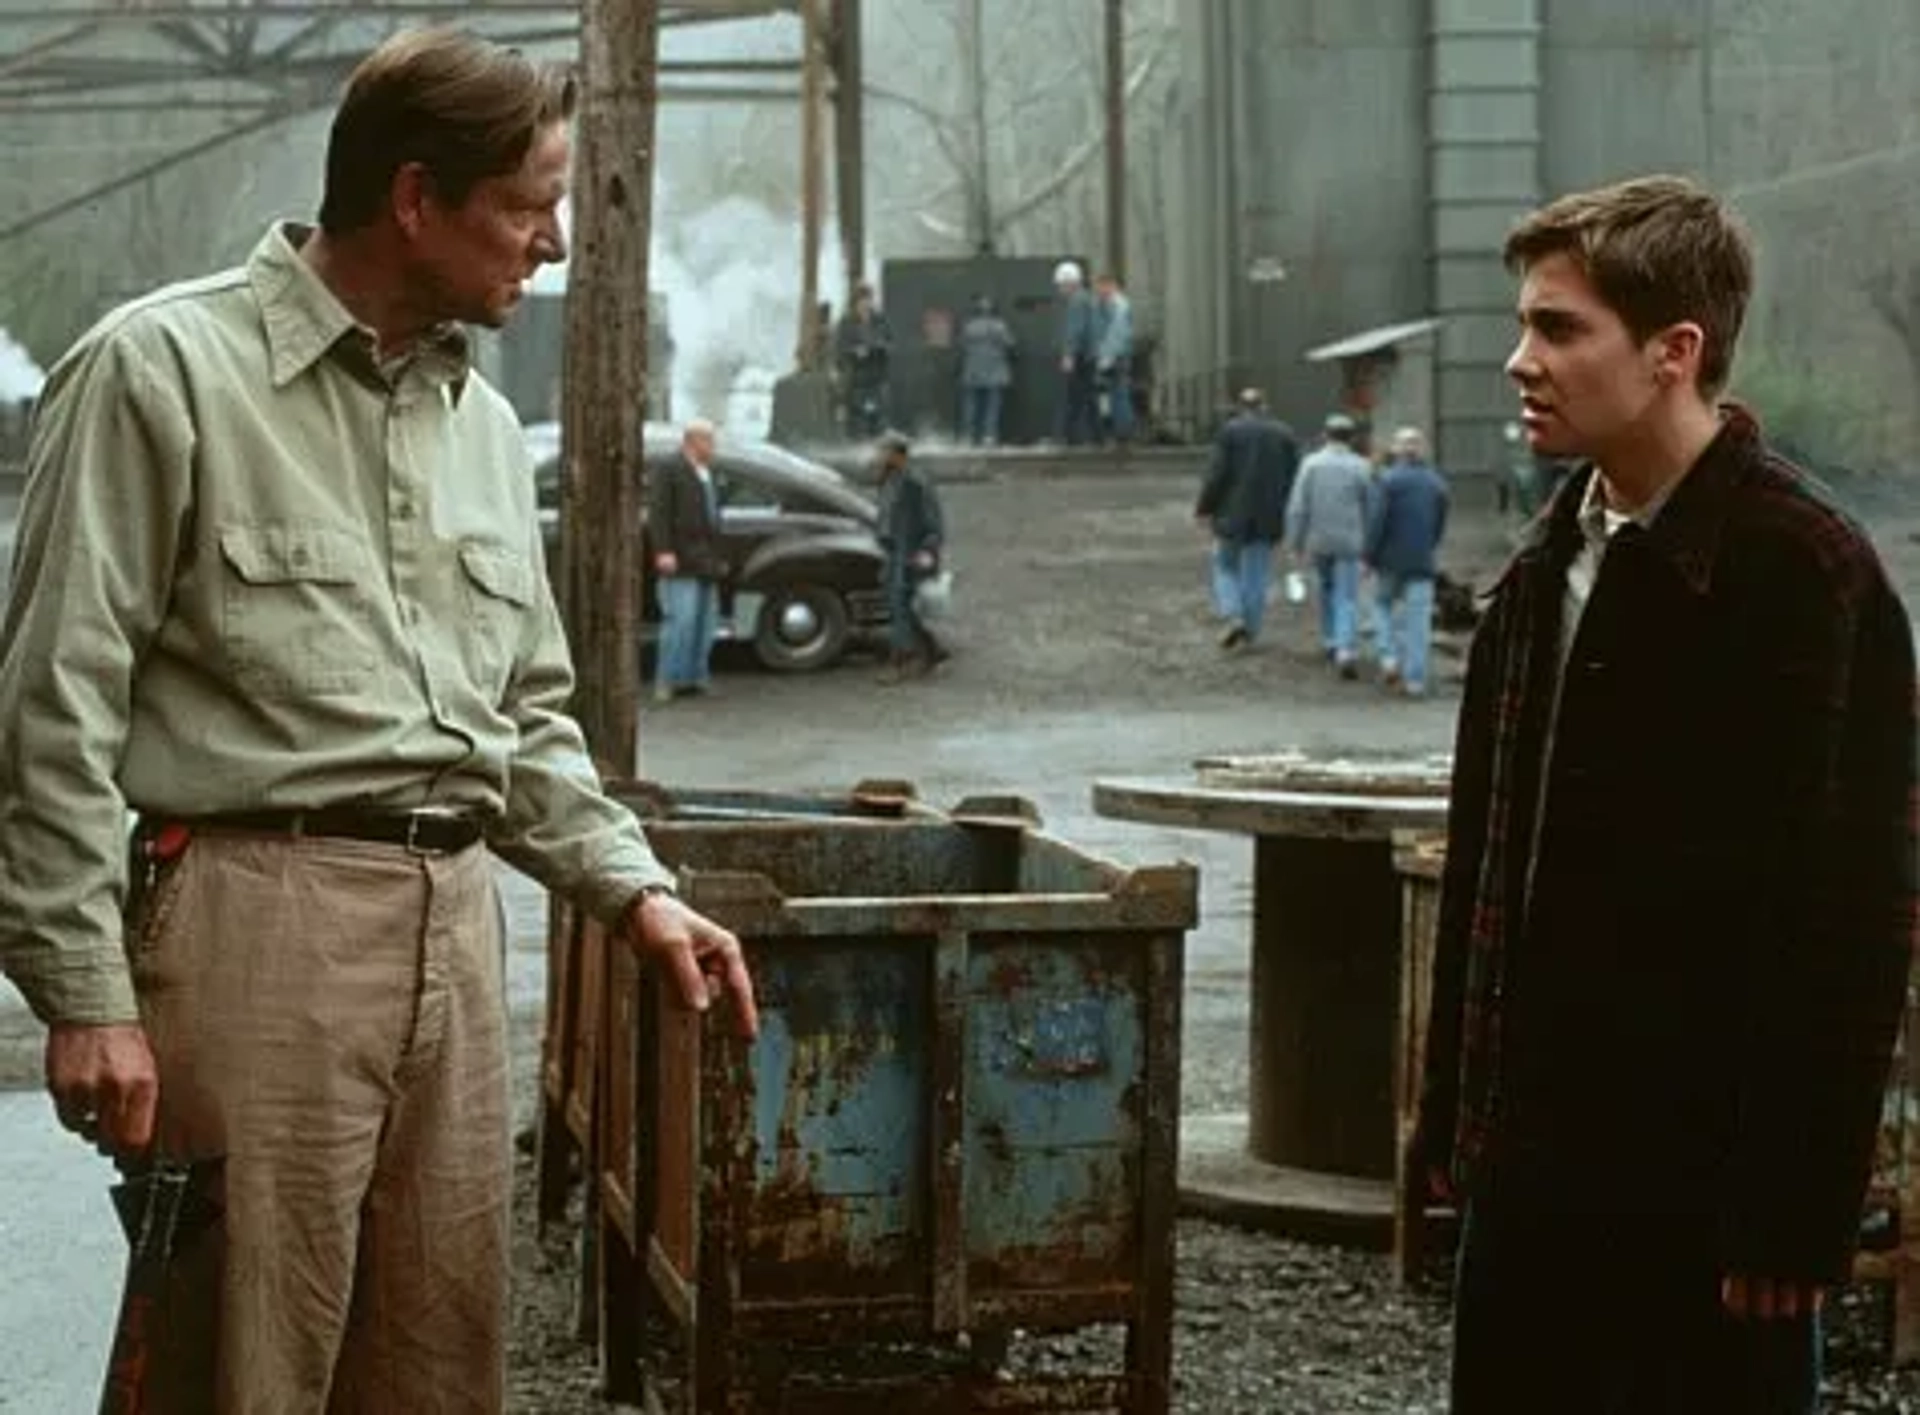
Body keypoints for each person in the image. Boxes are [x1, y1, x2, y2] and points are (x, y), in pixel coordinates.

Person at [0, 28, 759, 1412]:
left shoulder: (474, 421)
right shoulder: (157, 373)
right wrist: (85, 993)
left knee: (436, 1362)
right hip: (254, 923)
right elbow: (50, 704)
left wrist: (633, 888)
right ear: (416, 198)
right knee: (242, 1362)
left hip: (458, 937)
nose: (554, 244)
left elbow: (524, 718)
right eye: (530, 207)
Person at [1418, 174, 1917, 1414]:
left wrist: (1795, 1209)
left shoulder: (1804, 574)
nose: (1519, 361)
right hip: (1533, 1183)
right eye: (1525, 325)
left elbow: (1852, 917)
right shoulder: (1543, 573)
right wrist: (1454, 1130)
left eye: (1560, 328)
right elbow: (1490, 868)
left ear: (1674, 352)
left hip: (1706, 1208)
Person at [1194, 387, 1299, 650]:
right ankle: (1251, 631)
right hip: (1268, 515)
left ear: (1240, 407)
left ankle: (1234, 615)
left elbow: (1217, 475)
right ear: (1265, 406)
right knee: (1257, 574)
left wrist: (1204, 507)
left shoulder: (1230, 432)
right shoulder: (1284, 434)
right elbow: (1294, 479)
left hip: (1231, 513)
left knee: (1225, 566)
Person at [1285, 412, 1373, 676]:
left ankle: (1330, 638)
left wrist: (1295, 541)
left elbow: (1299, 507)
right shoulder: (1361, 466)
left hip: (1319, 539)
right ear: (1352, 437)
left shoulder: (1311, 465)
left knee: (1325, 588)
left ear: (1325, 435)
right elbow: (1371, 506)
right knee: (1347, 594)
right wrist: (1371, 542)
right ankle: (1346, 648)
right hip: (1350, 539)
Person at [1363, 425, 1449, 696]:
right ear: (1422, 450)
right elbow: (1439, 525)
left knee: (1381, 606)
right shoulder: (1437, 484)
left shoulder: (1388, 481)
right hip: (1422, 560)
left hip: (1389, 560)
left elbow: (1377, 522)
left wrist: (1368, 555)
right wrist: (1429, 546)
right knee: (1419, 622)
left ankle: (1389, 656)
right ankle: (1415, 681)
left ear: (1397, 451)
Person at [648, 418, 725, 702]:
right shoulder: (670, 468)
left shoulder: (706, 471)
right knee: (680, 621)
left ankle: (695, 676)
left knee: (704, 623)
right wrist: (663, 550)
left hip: (706, 559)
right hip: (680, 558)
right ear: (695, 441)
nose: (714, 447)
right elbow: (659, 513)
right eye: (710, 441)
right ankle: (667, 679)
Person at [874, 430, 948, 682]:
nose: (879, 455)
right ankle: (930, 649)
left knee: (899, 605)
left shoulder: (916, 482)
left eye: (884, 451)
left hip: (910, 555)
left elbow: (933, 525)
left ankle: (903, 661)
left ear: (897, 453)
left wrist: (924, 554)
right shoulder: (890, 478)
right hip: (895, 551)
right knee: (900, 606)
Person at [834, 281, 892, 439]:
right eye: (861, 300)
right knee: (858, 419)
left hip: (876, 378)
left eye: (868, 299)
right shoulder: (846, 323)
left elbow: (890, 343)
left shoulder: (881, 321)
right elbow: (839, 349)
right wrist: (854, 352)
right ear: (855, 303)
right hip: (856, 380)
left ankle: (878, 451)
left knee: (878, 417)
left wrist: (877, 348)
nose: (865, 304)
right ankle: (858, 450)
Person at [957, 293, 1015, 447]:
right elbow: (1010, 343)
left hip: (973, 372)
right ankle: (989, 436)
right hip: (995, 371)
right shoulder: (999, 326)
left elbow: (962, 346)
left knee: (971, 406)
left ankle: (968, 436)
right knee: (992, 407)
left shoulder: (969, 326)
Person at [1053, 260, 1098, 446]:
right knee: (1086, 397)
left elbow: (1075, 330)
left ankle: (1067, 437)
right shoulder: (1087, 298)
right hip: (1088, 356)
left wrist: (1068, 354)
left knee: (1073, 397)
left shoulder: (1077, 301)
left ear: (1070, 283)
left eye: (1060, 285)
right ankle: (1094, 437)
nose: (1059, 289)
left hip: (1079, 357)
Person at [1093, 272, 1135, 445]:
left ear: (1111, 285)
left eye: (1101, 286)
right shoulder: (1112, 304)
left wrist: (1106, 358)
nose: (1098, 290)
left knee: (1118, 393)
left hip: (1116, 357)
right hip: (1115, 355)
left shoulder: (1119, 305)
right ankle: (1119, 431)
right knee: (1112, 394)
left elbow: (1117, 333)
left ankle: (1123, 431)